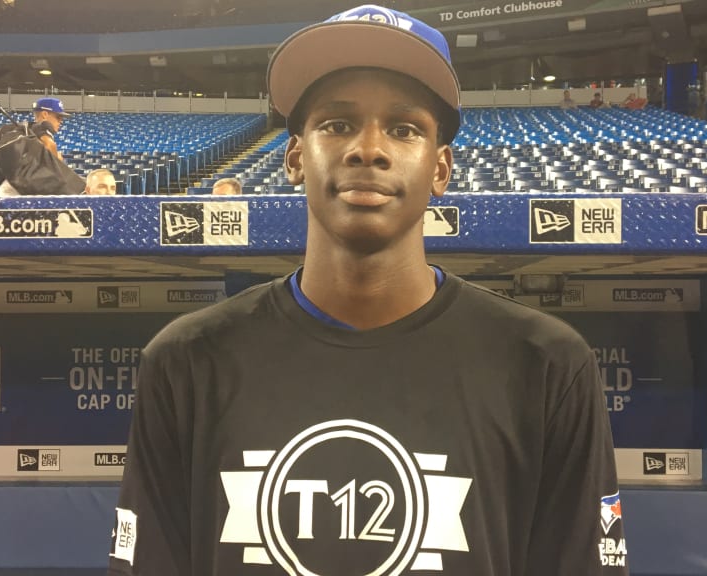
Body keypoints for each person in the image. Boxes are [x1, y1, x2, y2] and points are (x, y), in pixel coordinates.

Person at [109, 5, 626, 576]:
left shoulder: (547, 365)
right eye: (336, 125)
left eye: (404, 129)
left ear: (441, 168)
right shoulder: (186, 362)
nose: (369, 148)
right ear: (294, 157)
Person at [0, 97, 81, 196]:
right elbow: (49, 146)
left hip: (11, 187)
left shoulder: (27, 130)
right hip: (19, 191)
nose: (61, 121)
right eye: (58, 117)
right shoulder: (41, 128)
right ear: (45, 114)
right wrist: (57, 159)